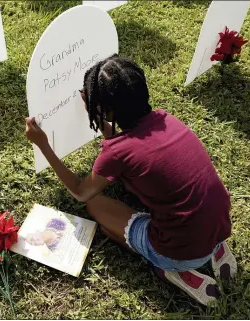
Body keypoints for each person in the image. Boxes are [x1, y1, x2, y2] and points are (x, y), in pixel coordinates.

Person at [25, 54, 237, 306]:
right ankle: (215, 250)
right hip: (219, 226)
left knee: (97, 209)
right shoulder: (165, 119)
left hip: (179, 251)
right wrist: (100, 110)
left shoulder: (117, 153)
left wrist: (43, 145)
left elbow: (81, 192)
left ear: (108, 109)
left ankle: (175, 269)